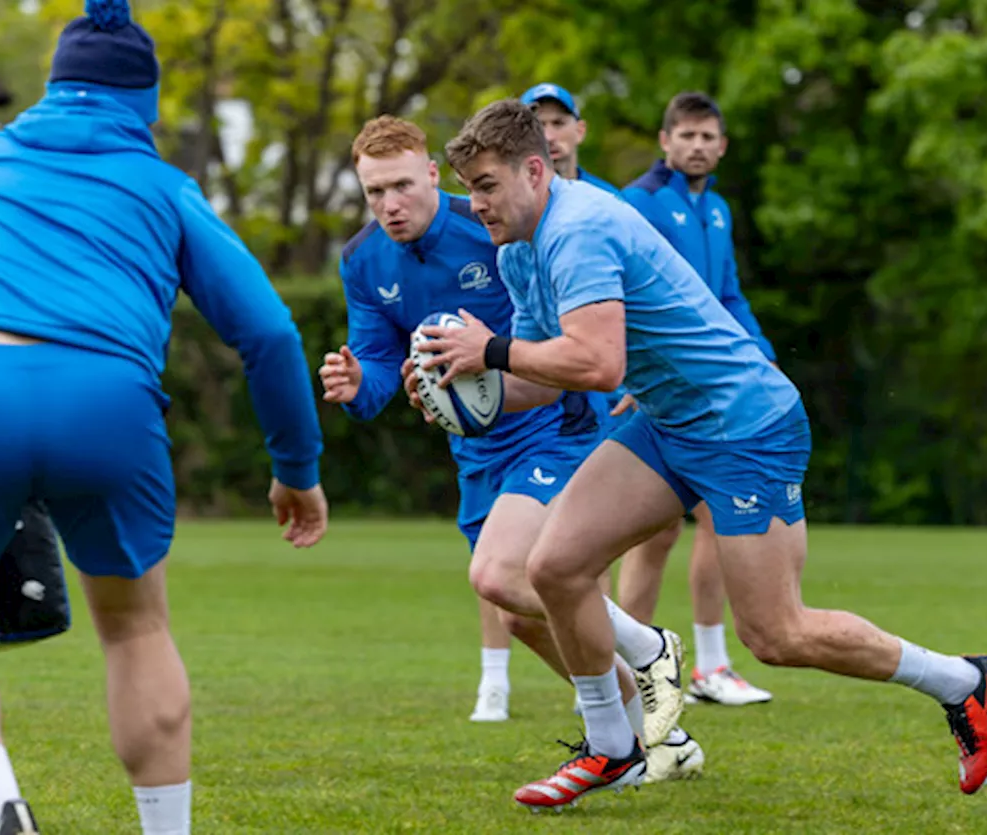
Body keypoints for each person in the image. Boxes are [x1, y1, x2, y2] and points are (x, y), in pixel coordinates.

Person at [427, 98, 987, 810]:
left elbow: (600, 365)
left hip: (745, 427)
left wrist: (485, 349)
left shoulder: (578, 230)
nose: (476, 203)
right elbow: (543, 382)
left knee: (776, 633)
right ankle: (614, 748)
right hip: (670, 421)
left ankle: (963, 681)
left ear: (535, 169)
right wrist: (462, 388)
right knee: (553, 565)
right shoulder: (518, 248)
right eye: (469, 188)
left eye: (486, 185)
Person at [0, 2, 329, 833]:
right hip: (108, 405)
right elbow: (273, 333)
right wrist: (296, 469)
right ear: (147, 105)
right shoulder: (164, 186)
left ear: (52, 86)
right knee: (136, 627)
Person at [322, 115, 687, 772]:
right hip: (478, 448)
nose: (389, 205)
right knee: (521, 612)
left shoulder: (493, 226)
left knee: (505, 573)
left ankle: (648, 648)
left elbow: (568, 328)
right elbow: (383, 369)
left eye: (402, 185)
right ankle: (655, 735)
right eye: (374, 192)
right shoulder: (363, 259)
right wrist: (358, 385)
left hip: (557, 425)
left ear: (433, 174)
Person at [521, 82, 703, 777]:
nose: (548, 133)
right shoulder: (509, 231)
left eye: (557, 122)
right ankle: (635, 684)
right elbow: (534, 343)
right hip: (553, 415)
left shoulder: (598, 210)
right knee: (531, 576)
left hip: (625, 400)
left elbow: (640, 314)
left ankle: (645, 687)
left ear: (577, 132)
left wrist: (637, 379)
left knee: (554, 565)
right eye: (535, 123)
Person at [619, 91, 777, 706]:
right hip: (657, 386)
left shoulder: (717, 210)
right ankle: (625, 670)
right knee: (649, 534)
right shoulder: (638, 203)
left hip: (712, 385)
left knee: (716, 517)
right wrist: (632, 376)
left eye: (708, 136)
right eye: (686, 135)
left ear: (723, 145)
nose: (697, 146)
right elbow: (623, 295)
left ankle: (709, 668)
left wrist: (759, 350)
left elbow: (727, 294)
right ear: (664, 141)